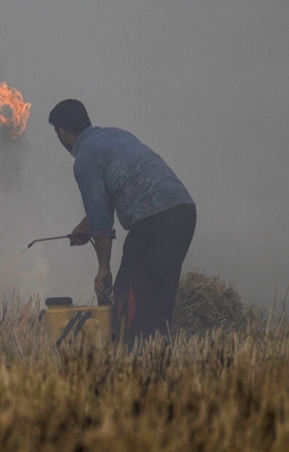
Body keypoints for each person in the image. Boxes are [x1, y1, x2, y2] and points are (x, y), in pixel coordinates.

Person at [48, 99, 196, 343]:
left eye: (57, 132)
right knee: (159, 298)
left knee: (127, 297)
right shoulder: (115, 136)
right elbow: (111, 196)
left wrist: (103, 268)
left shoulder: (84, 159)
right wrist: (85, 226)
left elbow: (101, 223)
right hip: (183, 211)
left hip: (154, 220)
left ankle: (128, 358)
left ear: (62, 131)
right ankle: (156, 358)